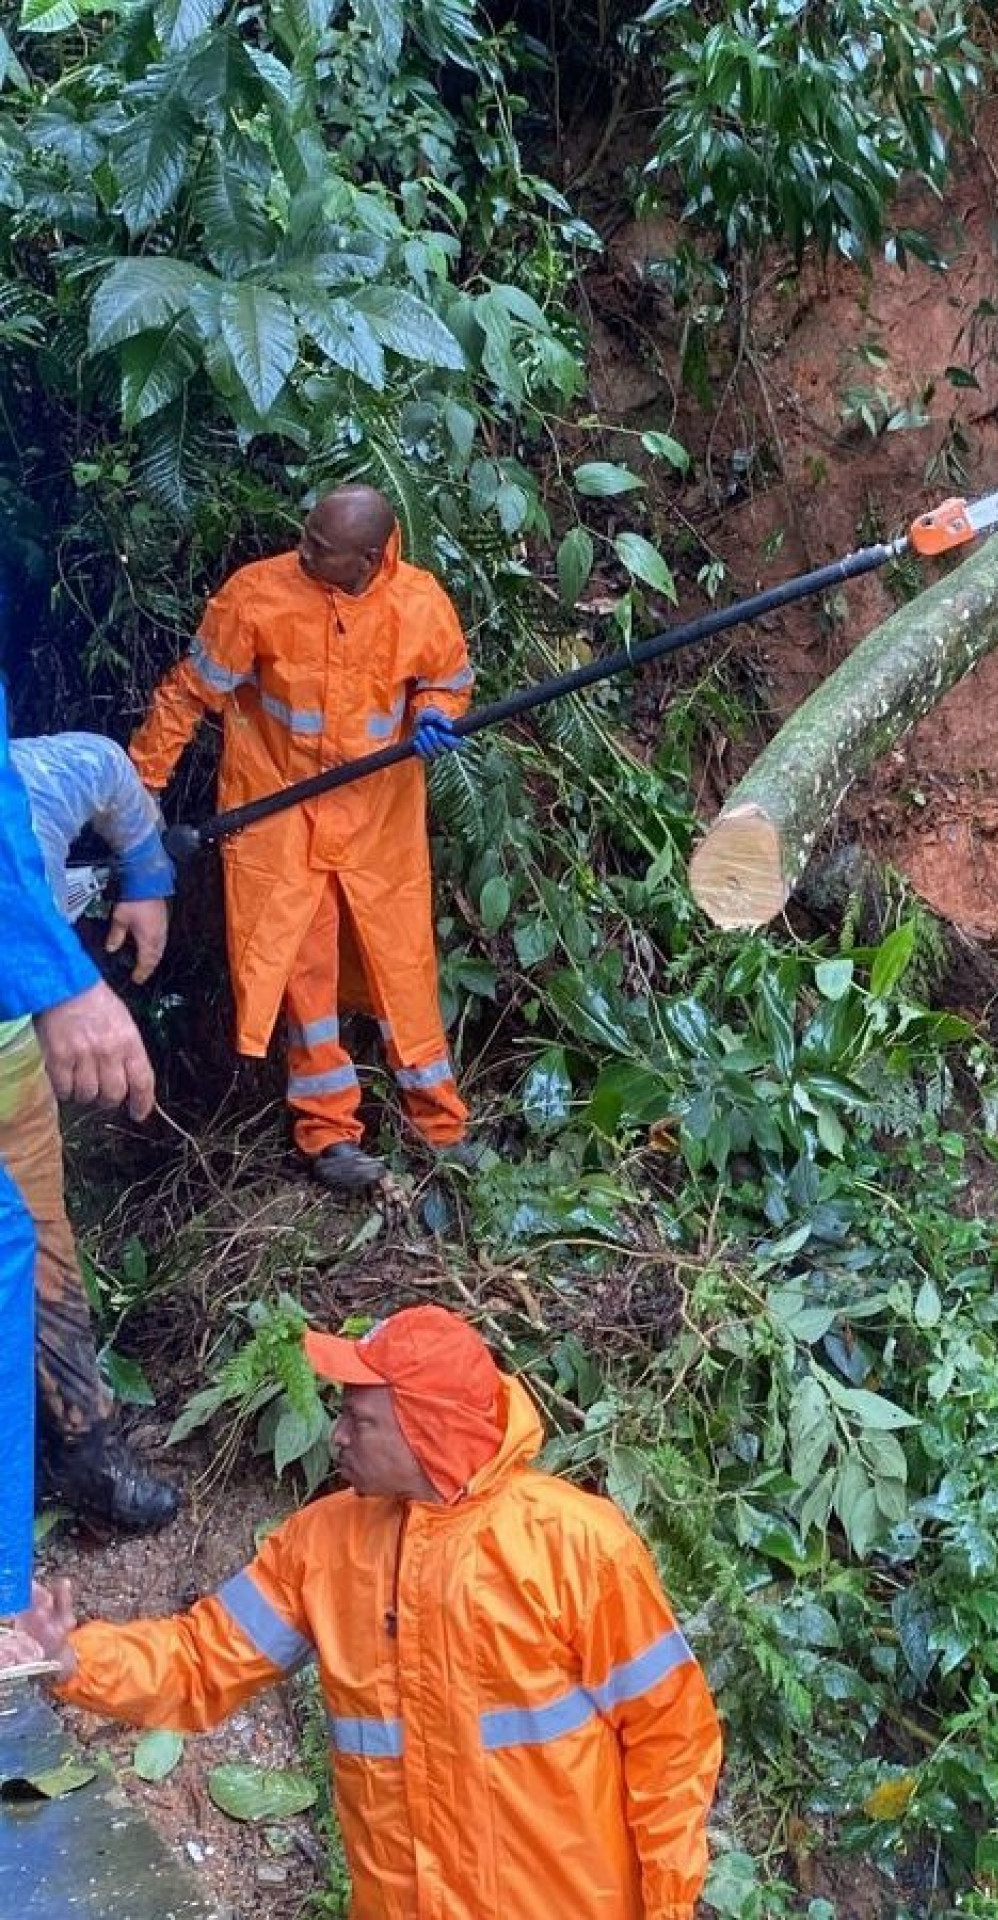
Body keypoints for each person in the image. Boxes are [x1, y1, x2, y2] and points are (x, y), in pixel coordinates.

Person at [15, 1303, 723, 1917]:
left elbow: (673, 1741)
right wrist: (76, 1657)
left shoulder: (575, 1546)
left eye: (359, 1418)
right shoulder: (323, 1546)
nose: (338, 1435)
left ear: (426, 1430)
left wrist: (666, 1905)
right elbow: (200, 1662)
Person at [130, 486, 477, 1196]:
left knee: (401, 967)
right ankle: (329, 1134)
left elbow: (449, 679)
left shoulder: (418, 602)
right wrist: (142, 784)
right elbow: (189, 692)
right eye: (307, 534)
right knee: (302, 972)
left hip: (378, 819)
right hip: (279, 816)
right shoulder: (256, 595)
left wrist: (435, 712)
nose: (305, 549)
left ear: (370, 557)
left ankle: (440, 1127)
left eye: (323, 545)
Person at [0, 686, 165, 1678]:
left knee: (40, 1255)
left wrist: (146, 878)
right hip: (42, 1018)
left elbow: (124, 791)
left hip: (16, 1055)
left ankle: (85, 1445)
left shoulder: (57, 775)